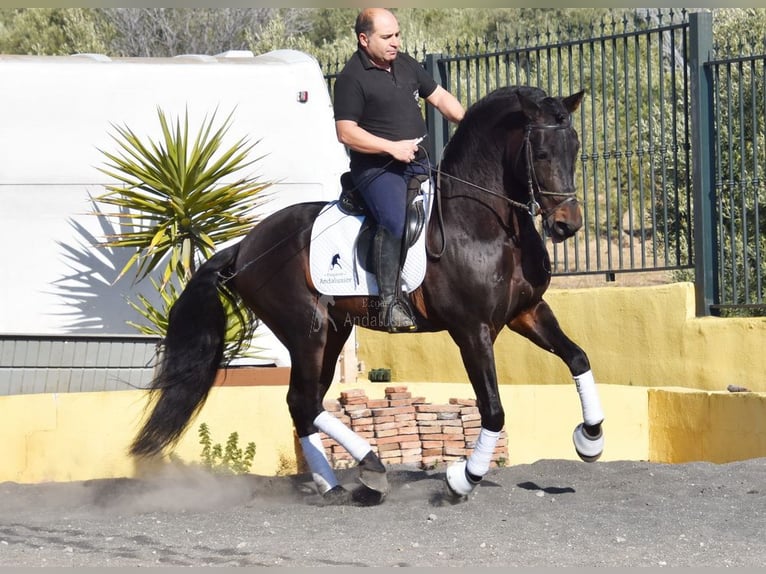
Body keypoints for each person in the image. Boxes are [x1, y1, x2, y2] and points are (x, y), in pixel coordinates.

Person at [333, 7, 465, 332]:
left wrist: (469, 119)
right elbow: (346, 132)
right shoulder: (351, 78)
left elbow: (440, 97)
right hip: (378, 170)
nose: (395, 42)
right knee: (393, 221)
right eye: (387, 37)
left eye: (398, 34)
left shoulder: (405, 64)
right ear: (364, 39)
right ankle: (389, 304)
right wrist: (392, 147)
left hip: (419, 163)